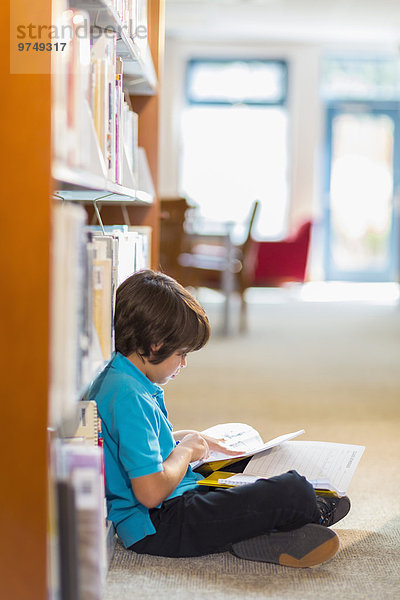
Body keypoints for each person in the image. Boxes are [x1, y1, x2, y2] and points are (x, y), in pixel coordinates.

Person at [88, 269, 350, 568]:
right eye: (182, 353)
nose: (184, 363)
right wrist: (185, 451)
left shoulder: (124, 379)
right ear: (155, 345)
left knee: (245, 466)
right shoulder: (128, 395)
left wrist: (191, 439)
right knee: (295, 491)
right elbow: (149, 493)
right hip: (163, 523)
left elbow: (140, 445)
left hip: (176, 500)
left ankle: (255, 533)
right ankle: (305, 512)